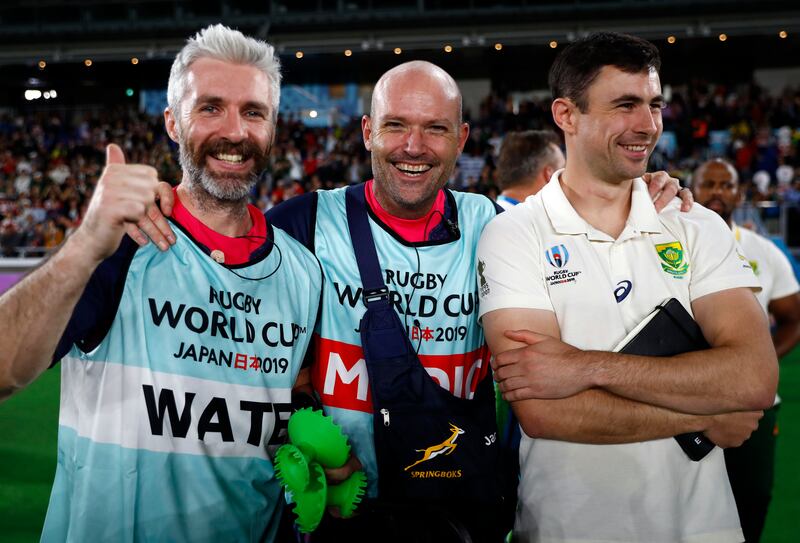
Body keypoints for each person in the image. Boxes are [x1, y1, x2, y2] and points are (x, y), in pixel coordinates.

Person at [140, 60, 689, 542]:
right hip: (343, 508)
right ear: (367, 131)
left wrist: (643, 192)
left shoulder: (497, 228)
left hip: (461, 508)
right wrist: (160, 201)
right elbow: (240, 339)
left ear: (462, 138)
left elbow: (596, 248)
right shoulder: (303, 223)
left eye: (435, 129)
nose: (413, 146)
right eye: (396, 125)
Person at [0, 24, 321, 542]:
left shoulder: (304, 273)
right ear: (173, 122)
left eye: (253, 112)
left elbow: (293, 413)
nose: (235, 131)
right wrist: (84, 245)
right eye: (210, 107)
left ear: (273, 128)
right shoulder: (122, 247)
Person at [477, 32, 778, 543]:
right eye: (625, 105)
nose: (649, 125)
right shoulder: (514, 233)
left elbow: (754, 378)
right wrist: (703, 418)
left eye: (655, 104)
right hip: (568, 528)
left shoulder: (695, 223)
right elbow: (544, 410)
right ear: (566, 115)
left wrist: (586, 367)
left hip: (704, 528)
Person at [693, 157, 800, 542]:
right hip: (684, 405)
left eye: (726, 185)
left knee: (750, 502)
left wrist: (760, 362)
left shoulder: (764, 251)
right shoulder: (666, 243)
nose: (718, 193)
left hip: (751, 406)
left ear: (739, 192)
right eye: (709, 184)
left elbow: (793, 317)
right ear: (694, 187)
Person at [495, 129, 566, 210]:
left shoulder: (490, 216)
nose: (565, 178)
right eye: (562, 170)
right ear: (550, 175)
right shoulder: (521, 220)